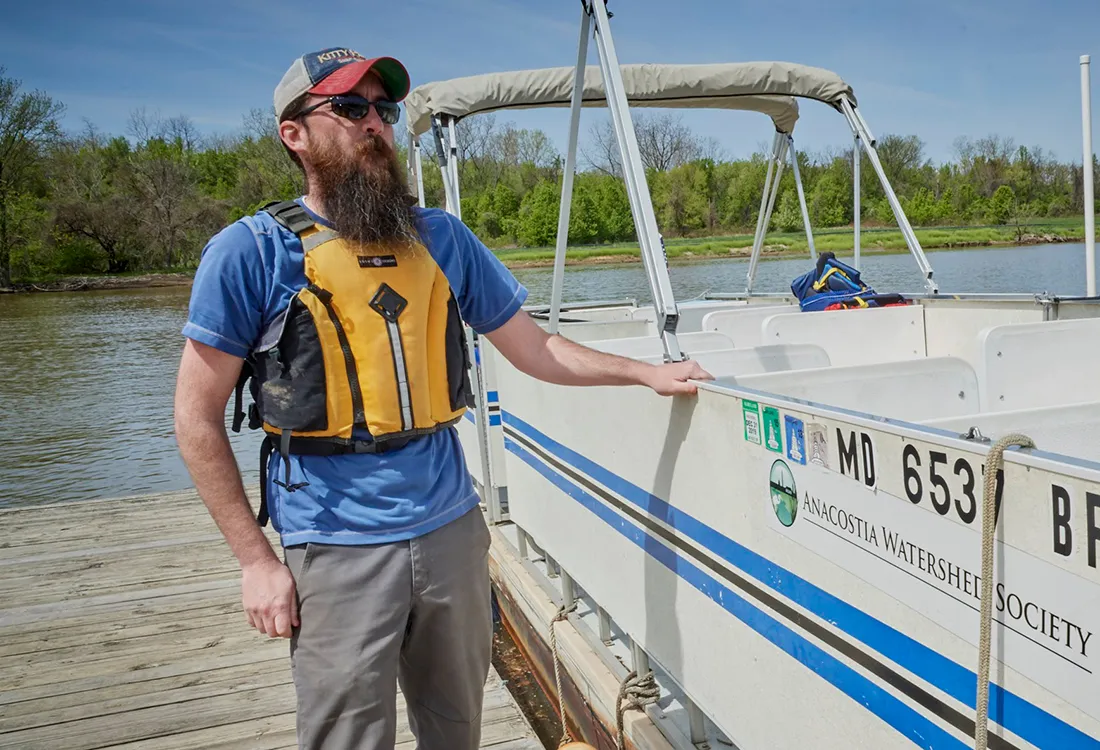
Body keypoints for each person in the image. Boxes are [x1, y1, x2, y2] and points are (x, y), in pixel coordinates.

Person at [173, 46, 712, 750]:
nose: (375, 124)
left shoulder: (442, 238)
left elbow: (536, 348)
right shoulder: (250, 253)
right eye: (351, 107)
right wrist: (255, 562)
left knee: (456, 722)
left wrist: (644, 374)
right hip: (331, 540)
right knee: (347, 735)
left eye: (385, 109)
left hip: (450, 526)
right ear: (294, 133)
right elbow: (195, 418)